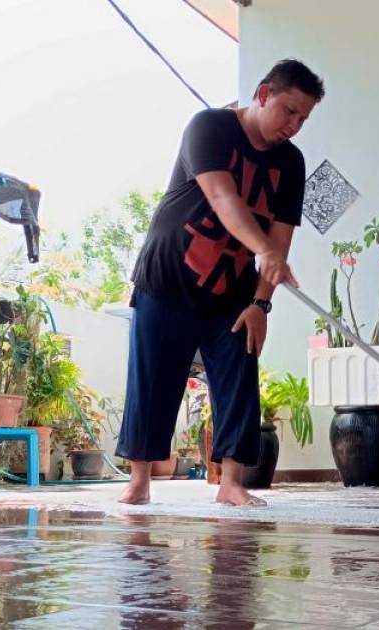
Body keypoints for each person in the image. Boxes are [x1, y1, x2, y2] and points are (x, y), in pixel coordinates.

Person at [115, 59, 324, 506]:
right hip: (167, 274)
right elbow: (222, 196)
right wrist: (263, 251)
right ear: (263, 94)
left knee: (238, 376)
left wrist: (261, 305)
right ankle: (139, 482)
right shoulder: (209, 127)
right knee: (153, 379)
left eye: (304, 118)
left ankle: (231, 484)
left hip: (231, 290)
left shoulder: (291, 162)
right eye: (289, 111)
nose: (295, 125)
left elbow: (280, 237)